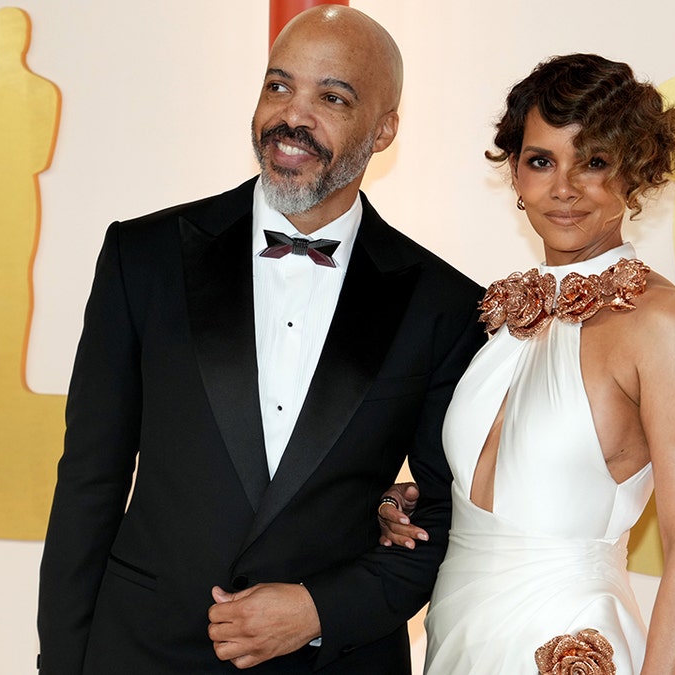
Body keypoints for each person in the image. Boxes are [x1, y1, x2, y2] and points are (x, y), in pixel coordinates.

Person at [37, 6, 484, 674]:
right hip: (144, 651)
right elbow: (89, 481)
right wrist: (63, 663)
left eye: (331, 97)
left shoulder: (443, 304)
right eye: (279, 86)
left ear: (385, 128)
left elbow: (447, 518)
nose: (293, 117)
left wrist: (319, 609)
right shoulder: (144, 256)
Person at [377, 54, 675, 674]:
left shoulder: (663, 324)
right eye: (542, 161)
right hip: (458, 632)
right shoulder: (504, 317)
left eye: (594, 162)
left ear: (637, 171)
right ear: (514, 172)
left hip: (567, 640)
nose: (564, 189)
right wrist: (405, 505)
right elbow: (502, 492)